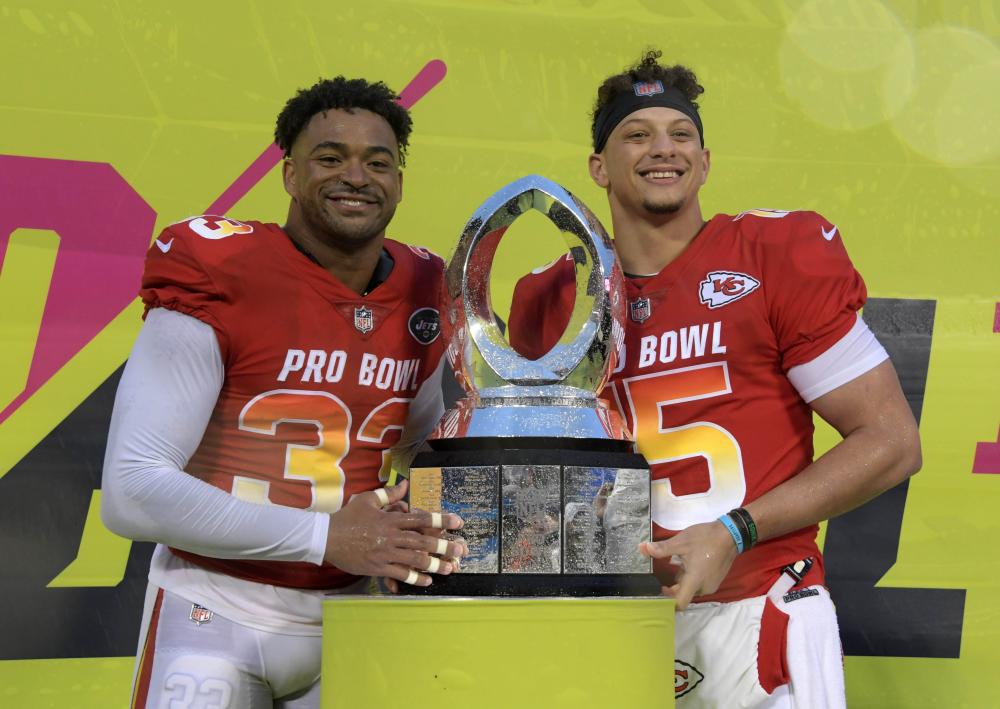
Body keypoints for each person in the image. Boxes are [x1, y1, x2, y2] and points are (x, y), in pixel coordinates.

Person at [507, 51, 921, 708]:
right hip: (614, 624)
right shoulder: (555, 297)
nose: (661, 149)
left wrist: (735, 530)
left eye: (681, 134)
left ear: (704, 162)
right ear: (598, 168)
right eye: (636, 134)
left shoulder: (770, 258)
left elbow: (892, 440)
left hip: (761, 609)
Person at [102, 76, 467, 709]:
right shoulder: (221, 267)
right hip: (214, 604)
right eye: (330, 157)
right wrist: (327, 538)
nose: (356, 176)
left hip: (354, 616)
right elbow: (132, 491)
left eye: (378, 163)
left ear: (400, 182)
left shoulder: (425, 285)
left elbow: (427, 452)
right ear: (290, 175)